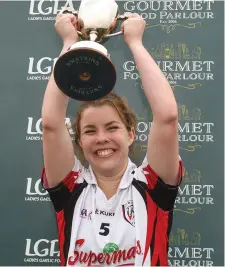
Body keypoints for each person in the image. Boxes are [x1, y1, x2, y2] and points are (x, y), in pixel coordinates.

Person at [41, 12, 183, 267]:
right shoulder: (71, 186)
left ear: (130, 135)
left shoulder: (151, 185)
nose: (102, 138)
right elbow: (51, 125)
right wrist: (69, 45)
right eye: (90, 131)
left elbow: (167, 117)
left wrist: (135, 43)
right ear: (80, 142)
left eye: (112, 127)